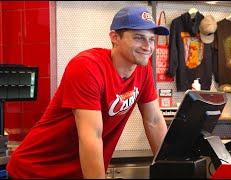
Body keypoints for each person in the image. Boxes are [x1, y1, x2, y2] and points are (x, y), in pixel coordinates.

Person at [6, 6, 169, 178]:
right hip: (36, 171)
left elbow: (154, 121)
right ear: (115, 38)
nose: (147, 46)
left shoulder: (143, 70)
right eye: (139, 38)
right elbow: (91, 135)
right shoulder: (87, 67)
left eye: (151, 39)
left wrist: (171, 171)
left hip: (77, 173)